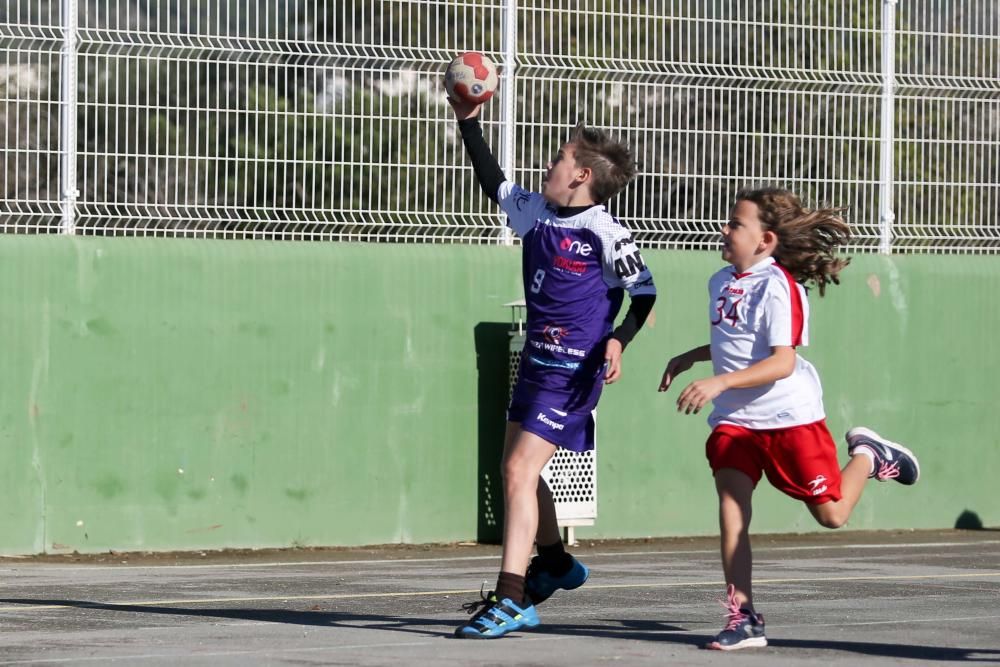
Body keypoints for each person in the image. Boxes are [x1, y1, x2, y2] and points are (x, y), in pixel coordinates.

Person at [658, 187, 919, 651]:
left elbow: (780, 361)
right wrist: (694, 357)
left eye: (737, 224)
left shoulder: (781, 287)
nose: (725, 229)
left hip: (789, 419)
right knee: (732, 513)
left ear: (766, 241)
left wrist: (717, 383)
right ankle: (744, 617)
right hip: (735, 421)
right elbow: (735, 344)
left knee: (832, 515)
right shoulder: (720, 281)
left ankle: (868, 454)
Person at [446, 94, 657, 638]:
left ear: (581, 175)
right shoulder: (536, 213)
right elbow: (491, 178)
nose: (547, 164)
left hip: (572, 371)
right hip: (537, 362)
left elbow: (646, 294)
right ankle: (558, 563)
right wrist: (468, 121)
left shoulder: (608, 235)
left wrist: (620, 340)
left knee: (518, 472)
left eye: (558, 159)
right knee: (516, 470)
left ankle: (512, 597)